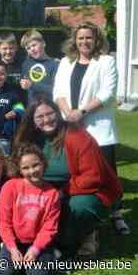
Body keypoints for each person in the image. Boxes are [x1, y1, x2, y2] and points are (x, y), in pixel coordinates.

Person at [13, 96, 123, 258]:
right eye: (40, 117)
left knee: (78, 206)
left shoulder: (76, 135)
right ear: (32, 120)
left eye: (50, 114)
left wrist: (61, 193)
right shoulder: (30, 138)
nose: (47, 120)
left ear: (57, 113)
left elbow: (92, 177)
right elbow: (17, 168)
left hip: (88, 190)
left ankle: (88, 233)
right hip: (47, 189)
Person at [52, 22, 129, 236]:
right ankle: (85, 212)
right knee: (77, 172)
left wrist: (81, 112)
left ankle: (115, 213)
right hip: (71, 128)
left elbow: (107, 93)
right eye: (80, 38)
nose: (84, 41)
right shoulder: (66, 62)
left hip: (98, 129)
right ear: (74, 40)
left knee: (107, 173)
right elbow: (58, 90)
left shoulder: (106, 61)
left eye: (89, 38)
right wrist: (68, 112)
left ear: (96, 40)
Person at [0, 143, 60, 275]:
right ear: (19, 170)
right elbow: (4, 222)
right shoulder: (10, 187)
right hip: (14, 242)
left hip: (39, 244)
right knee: (5, 272)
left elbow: (49, 227)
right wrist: (12, 249)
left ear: (43, 163)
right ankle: (10, 254)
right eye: (25, 168)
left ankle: (50, 254)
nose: (32, 171)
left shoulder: (52, 193)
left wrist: (35, 250)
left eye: (36, 165)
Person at [19, 29, 58, 103]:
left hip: (48, 107)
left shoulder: (54, 64)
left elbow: (55, 90)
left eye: (34, 45)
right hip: (31, 108)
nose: (32, 49)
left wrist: (32, 85)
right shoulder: (26, 64)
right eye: (28, 48)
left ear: (43, 43)